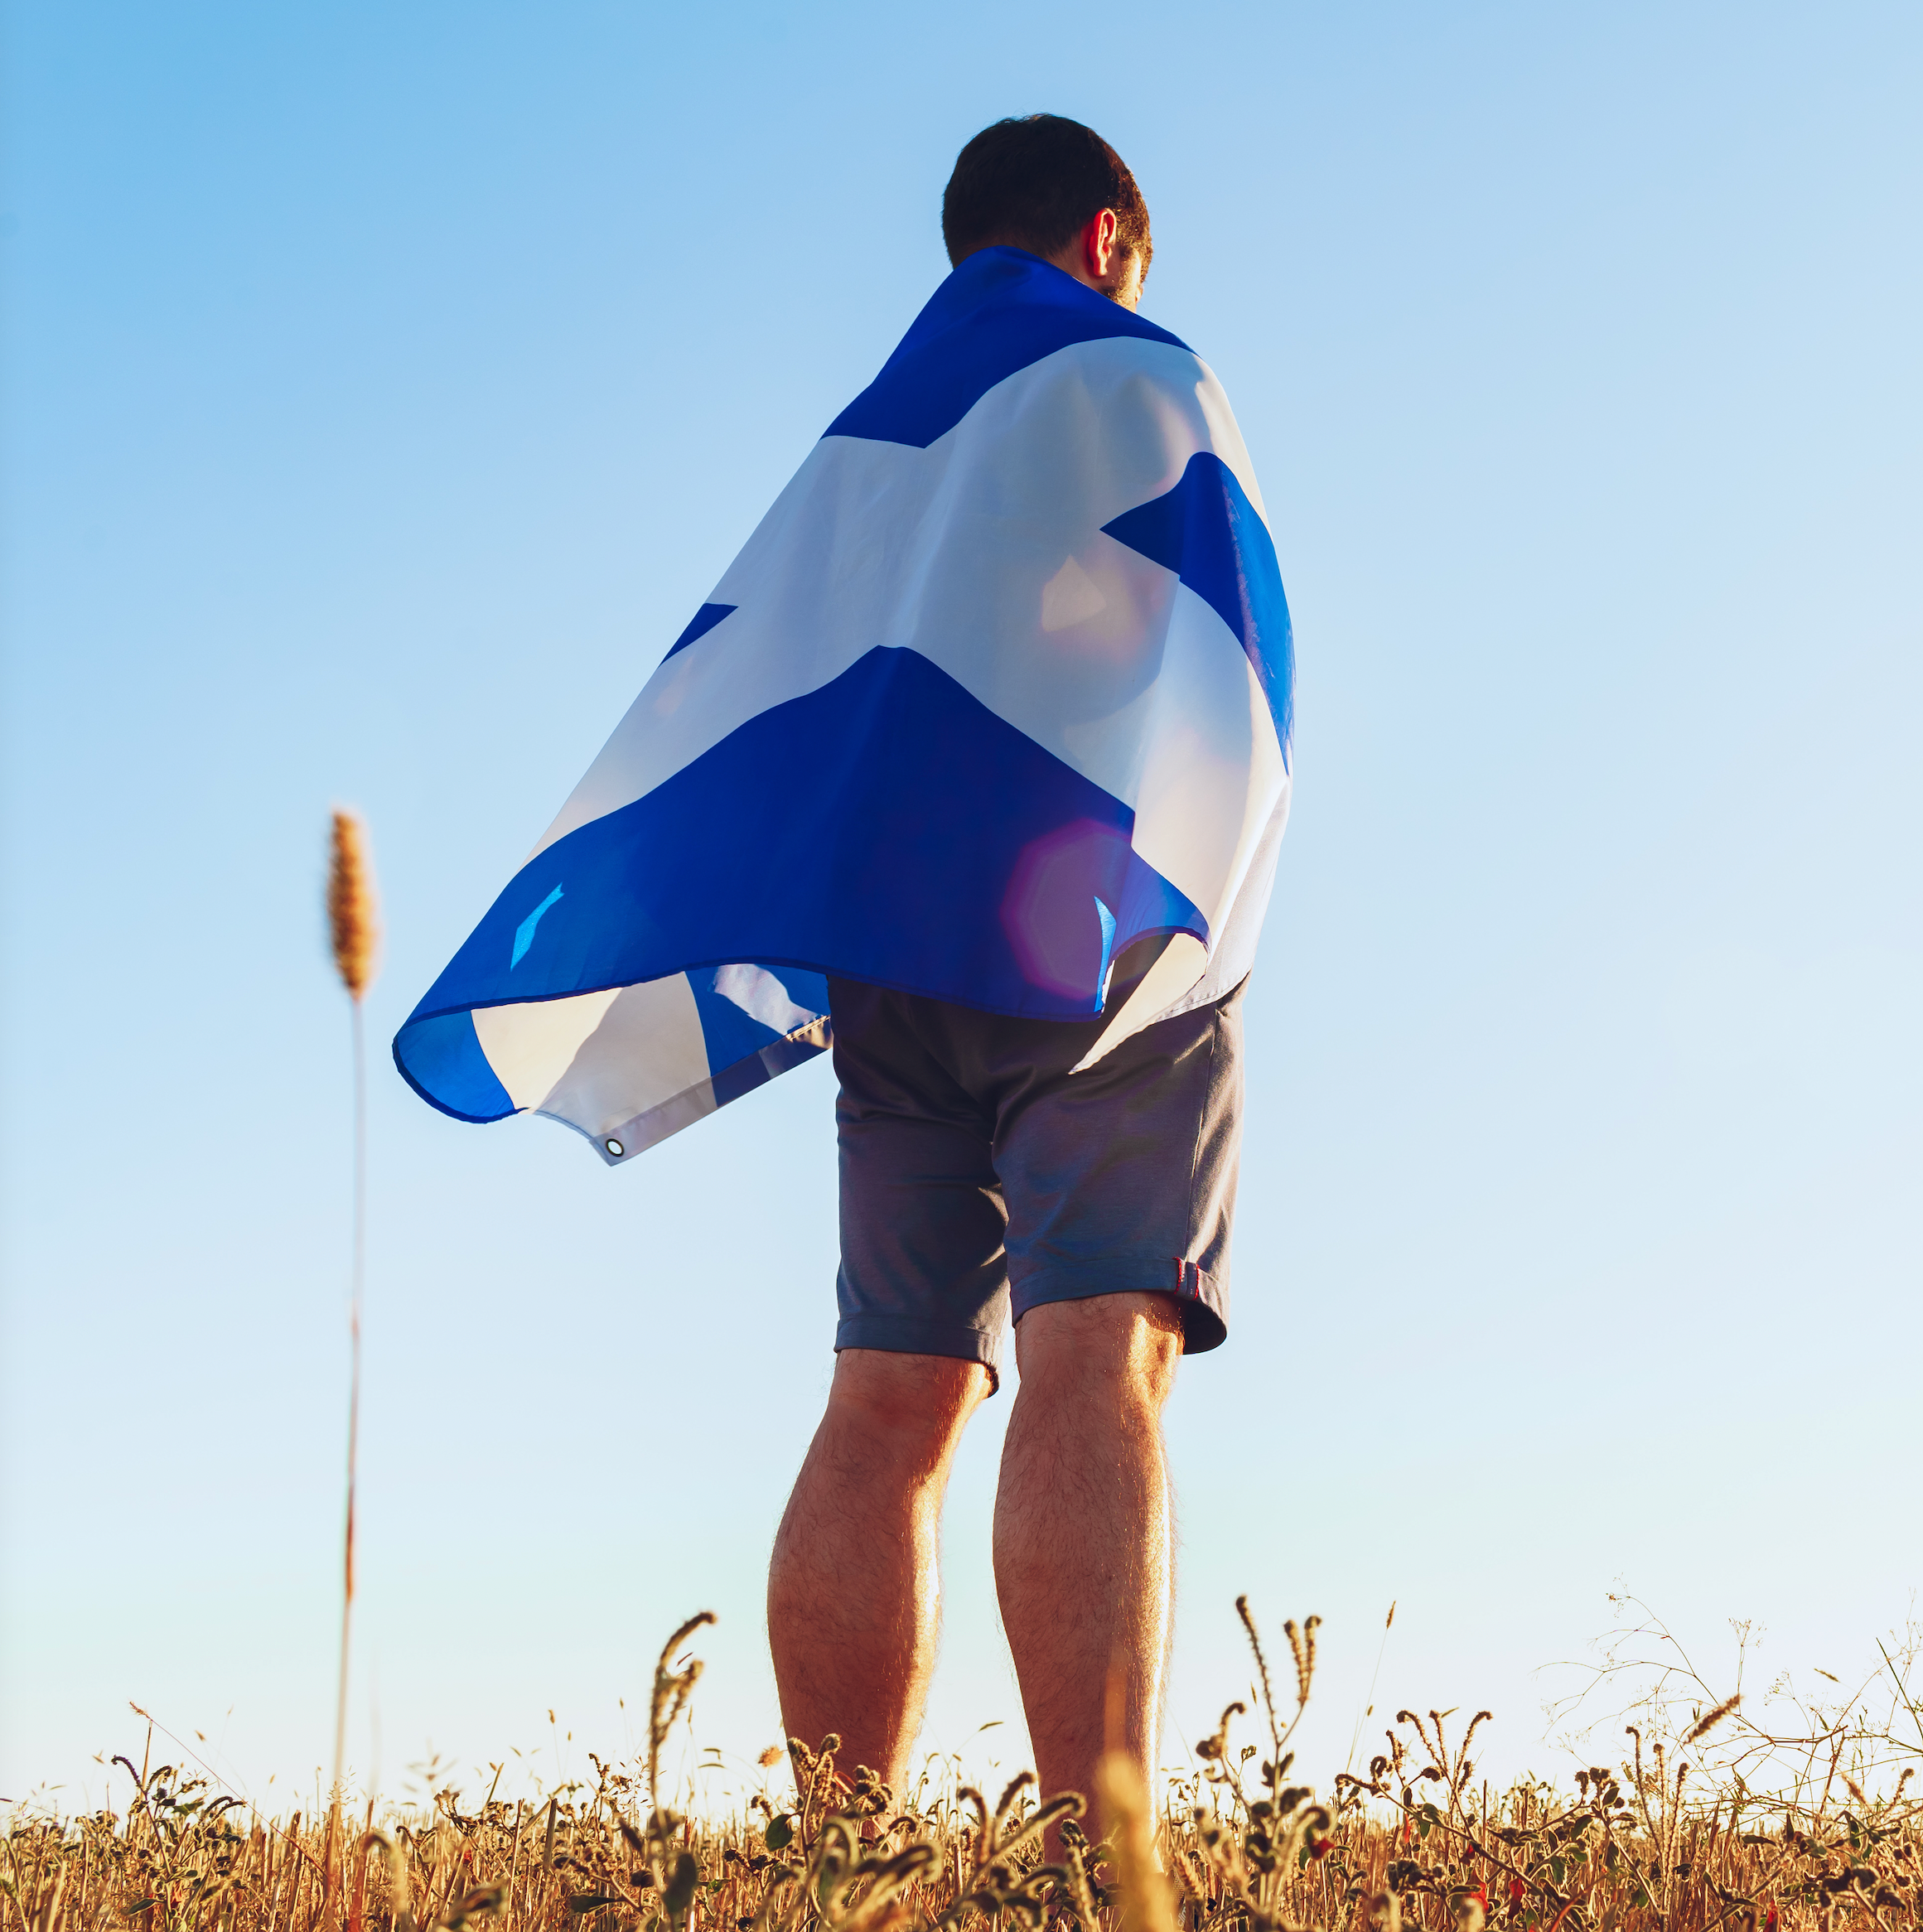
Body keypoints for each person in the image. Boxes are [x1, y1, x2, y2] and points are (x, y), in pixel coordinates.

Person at [392, 114, 1291, 1828]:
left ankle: (840, 1868)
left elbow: (761, 691)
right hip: (1087, 930)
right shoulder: (1139, 374)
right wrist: (1207, 923)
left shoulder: (864, 447)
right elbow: (1229, 660)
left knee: (888, 1396)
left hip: (894, 973)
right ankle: (1107, 1875)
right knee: (1100, 1356)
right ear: (1106, 235)